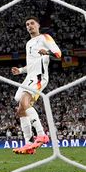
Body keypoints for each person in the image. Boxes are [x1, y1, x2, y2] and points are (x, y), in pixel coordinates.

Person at [11, 16, 61, 155]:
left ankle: (41, 134)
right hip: (29, 76)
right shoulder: (28, 43)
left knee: (24, 101)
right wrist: (20, 70)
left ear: (38, 25)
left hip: (39, 76)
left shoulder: (45, 37)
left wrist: (47, 52)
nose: (29, 26)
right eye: (27, 24)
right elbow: (32, 64)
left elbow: (59, 54)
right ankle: (28, 144)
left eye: (32, 23)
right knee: (20, 108)